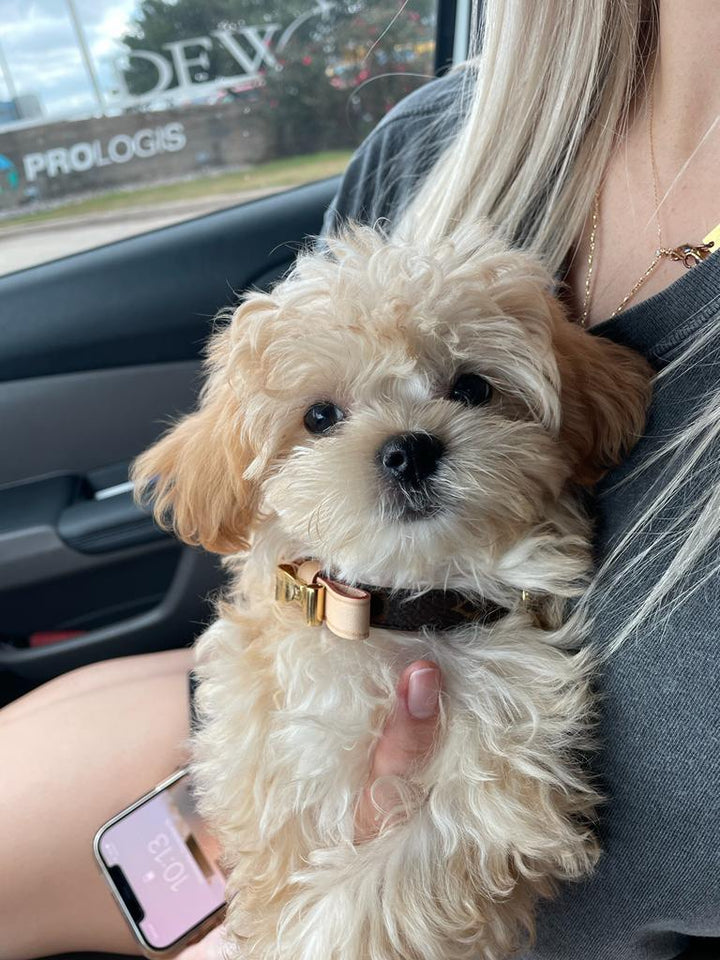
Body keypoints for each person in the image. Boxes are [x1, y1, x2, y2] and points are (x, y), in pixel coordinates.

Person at [1, 1, 718, 958]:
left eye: (469, 388)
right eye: (326, 417)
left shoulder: (514, 684)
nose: (406, 442)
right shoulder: (431, 145)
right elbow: (257, 563)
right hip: (268, 724)